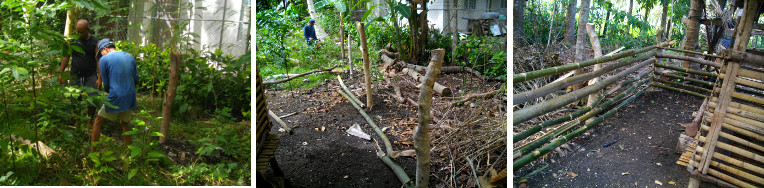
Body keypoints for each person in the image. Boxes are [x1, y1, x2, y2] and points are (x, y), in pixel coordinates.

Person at [91, 38, 139, 151]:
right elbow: (136, 79)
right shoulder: (129, 56)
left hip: (116, 94)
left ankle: (92, 153)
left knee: (97, 122)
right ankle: (130, 152)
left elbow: (106, 84)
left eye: (100, 53)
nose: (101, 56)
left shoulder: (104, 60)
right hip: (130, 94)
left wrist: (110, 93)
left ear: (105, 49)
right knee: (125, 123)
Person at [59, 19, 101, 127]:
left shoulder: (95, 42)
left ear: (88, 30)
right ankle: (77, 120)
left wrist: (100, 78)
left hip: (90, 74)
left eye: (81, 32)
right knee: (73, 97)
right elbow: (66, 57)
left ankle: (89, 121)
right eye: (77, 31)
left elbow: (98, 60)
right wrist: (60, 73)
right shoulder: (72, 41)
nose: (78, 34)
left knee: (92, 97)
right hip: (75, 74)